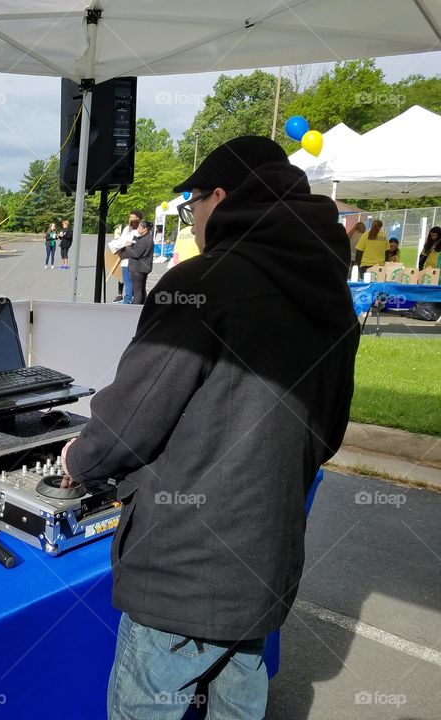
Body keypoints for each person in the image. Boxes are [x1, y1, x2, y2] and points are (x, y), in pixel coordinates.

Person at [59, 136, 358, 720]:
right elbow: (328, 433)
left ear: (219, 196)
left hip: (183, 574)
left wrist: (77, 459)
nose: (191, 217)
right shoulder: (330, 292)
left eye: (191, 203)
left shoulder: (201, 284)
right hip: (266, 564)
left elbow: (129, 423)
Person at [108, 211, 141, 301]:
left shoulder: (139, 230)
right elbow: (122, 240)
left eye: (132, 217)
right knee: (127, 280)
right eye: (129, 217)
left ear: (137, 218)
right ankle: (127, 297)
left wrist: (116, 244)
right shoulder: (126, 228)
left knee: (130, 282)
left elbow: (125, 241)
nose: (129, 219)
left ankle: (128, 299)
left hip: (132, 259)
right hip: (124, 257)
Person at [119, 219, 154, 304]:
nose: (138, 229)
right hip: (142, 267)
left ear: (145, 229)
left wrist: (128, 246)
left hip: (138, 268)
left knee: (137, 291)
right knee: (141, 289)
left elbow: (136, 254)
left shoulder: (145, 240)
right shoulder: (147, 238)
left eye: (139, 227)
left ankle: (136, 306)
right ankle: (142, 306)